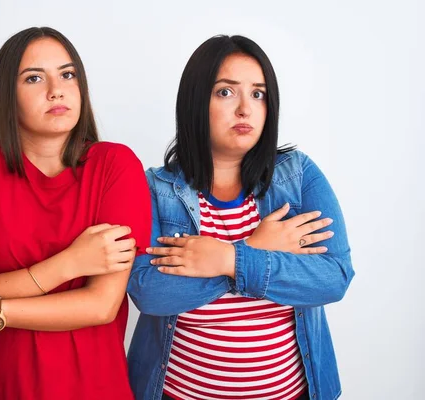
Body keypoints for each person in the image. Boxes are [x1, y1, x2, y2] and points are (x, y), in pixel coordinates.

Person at [0, 26, 151, 400]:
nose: (56, 90)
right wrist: (69, 264)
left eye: (68, 74)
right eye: (34, 78)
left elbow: (100, 305)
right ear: (6, 95)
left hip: (92, 387)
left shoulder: (116, 165)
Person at [127, 35, 354, 400]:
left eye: (258, 94)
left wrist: (231, 258)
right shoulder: (156, 188)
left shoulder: (298, 177)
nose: (246, 109)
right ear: (195, 101)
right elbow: (150, 293)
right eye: (226, 92)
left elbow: (334, 278)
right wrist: (254, 248)